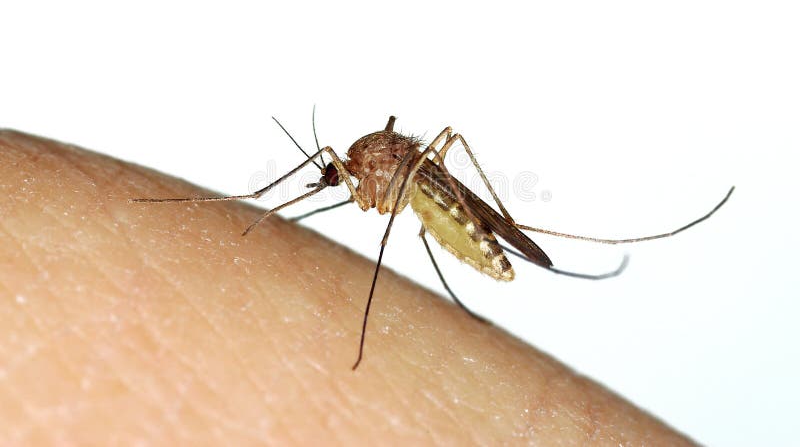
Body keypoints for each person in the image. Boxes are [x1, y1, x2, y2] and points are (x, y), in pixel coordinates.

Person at [0, 131, 694, 444]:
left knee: (434, 164)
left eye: (334, 174)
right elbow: (355, 169)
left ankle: (525, 229)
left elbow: (395, 182)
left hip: (431, 194)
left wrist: (469, 214)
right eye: (334, 174)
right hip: (416, 185)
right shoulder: (356, 163)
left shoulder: (373, 168)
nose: (334, 178)